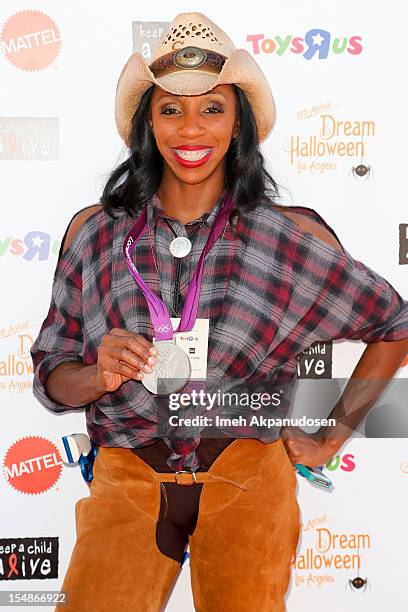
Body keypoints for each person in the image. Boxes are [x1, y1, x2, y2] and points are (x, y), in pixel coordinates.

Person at [30, 11, 408, 612]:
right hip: (128, 473)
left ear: (239, 124)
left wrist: (331, 434)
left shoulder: (287, 236)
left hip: (248, 475)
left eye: (213, 108)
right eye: (170, 109)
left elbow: (393, 325)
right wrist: (94, 375)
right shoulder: (95, 234)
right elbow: (51, 374)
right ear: (146, 124)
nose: (190, 129)